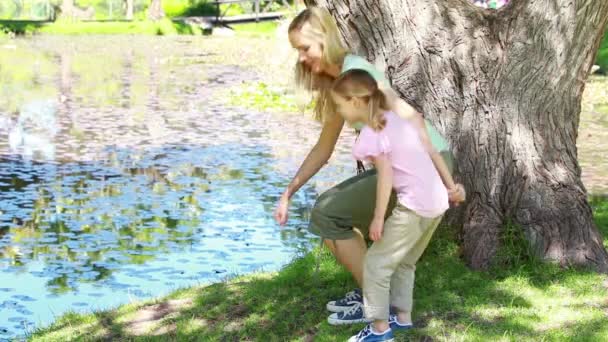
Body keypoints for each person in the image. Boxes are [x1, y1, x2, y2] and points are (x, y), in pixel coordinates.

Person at [274, 7, 466, 325]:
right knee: (332, 216)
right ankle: (374, 296)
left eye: (304, 49)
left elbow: (401, 108)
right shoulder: (340, 85)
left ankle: (379, 305)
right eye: (298, 51)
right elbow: (324, 149)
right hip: (404, 164)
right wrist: (288, 193)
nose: (302, 59)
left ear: (323, 39)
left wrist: (446, 181)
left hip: (423, 165)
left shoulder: (356, 69)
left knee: (326, 211)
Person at [332, 69, 457, 341]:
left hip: (413, 206)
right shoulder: (396, 120)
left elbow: (385, 176)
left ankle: (379, 330)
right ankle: (402, 318)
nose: (338, 111)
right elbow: (428, 151)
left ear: (355, 102)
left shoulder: (372, 132)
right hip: (436, 202)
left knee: (376, 264)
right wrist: (450, 187)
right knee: (405, 261)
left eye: (339, 105)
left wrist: (378, 217)